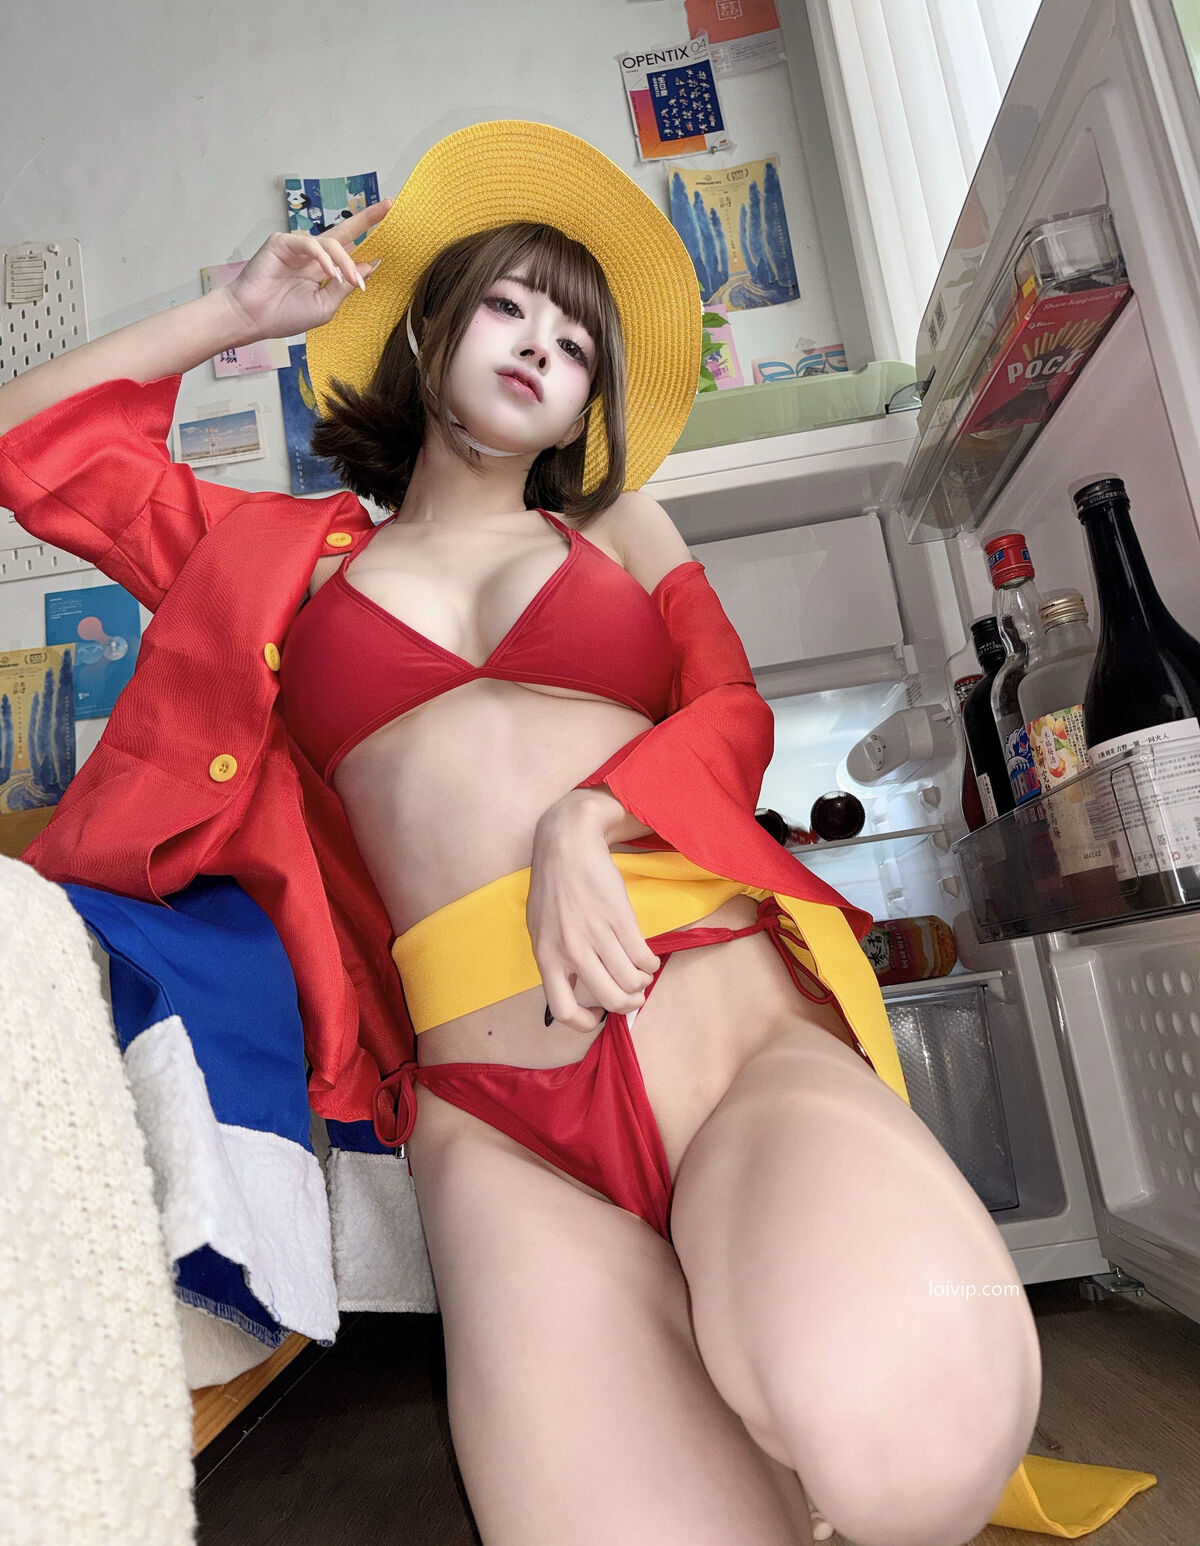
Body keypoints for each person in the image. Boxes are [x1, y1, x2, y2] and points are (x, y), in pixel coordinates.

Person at [0, 121, 1047, 1546]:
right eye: (507, 305)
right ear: (429, 330)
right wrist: (236, 314)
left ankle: (785, 1390)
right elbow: (31, 443)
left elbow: (730, 709)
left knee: (912, 1454)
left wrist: (589, 815)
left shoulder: (621, 529)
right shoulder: (278, 563)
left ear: (582, 411)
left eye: (575, 343)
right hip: (496, 1134)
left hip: (724, 1033)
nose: (541, 344)